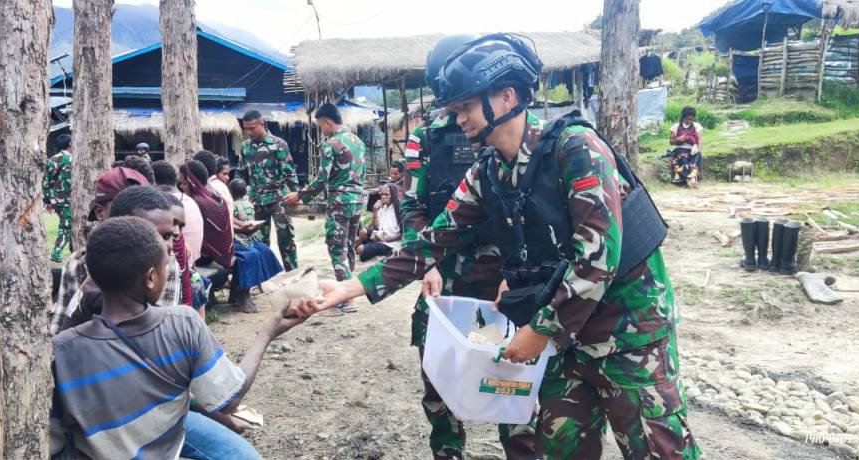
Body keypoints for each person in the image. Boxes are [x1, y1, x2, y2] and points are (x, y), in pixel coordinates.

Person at [296, 34, 699, 459]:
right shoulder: (487, 172)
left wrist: (541, 330)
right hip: (568, 341)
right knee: (559, 448)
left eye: (466, 107)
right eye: (455, 109)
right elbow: (434, 240)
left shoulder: (576, 149)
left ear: (506, 97)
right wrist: (353, 287)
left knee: (660, 450)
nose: (459, 118)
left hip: (628, 329)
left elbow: (598, 258)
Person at [383, 33, 541, 459]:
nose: (459, 110)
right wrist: (426, 265)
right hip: (445, 267)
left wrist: (518, 272)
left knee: (513, 370)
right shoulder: (425, 137)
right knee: (437, 370)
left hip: (504, 272)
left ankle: (520, 446)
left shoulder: (517, 130)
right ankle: (449, 449)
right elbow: (413, 204)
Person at [49, 216, 306, 459]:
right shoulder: (182, 324)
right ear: (151, 278)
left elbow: (55, 438)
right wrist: (267, 332)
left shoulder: (61, 351)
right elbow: (229, 399)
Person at [56, 185, 185, 332]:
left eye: (167, 236)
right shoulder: (87, 273)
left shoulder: (167, 262)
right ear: (119, 230)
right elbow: (61, 328)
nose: (164, 246)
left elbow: (163, 324)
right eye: (150, 235)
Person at [283, 103, 366, 314]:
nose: (322, 130)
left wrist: (300, 195)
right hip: (357, 201)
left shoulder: (332, 144)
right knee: (348, 245)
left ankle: (347, 300)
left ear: (327, 122)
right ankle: (349, 292)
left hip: (340, 202)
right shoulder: (358, 141)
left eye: (321, 126)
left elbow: (322, 179)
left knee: (337, 249)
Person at [49, 166, 150, 335]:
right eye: (126, 209)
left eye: (145, 211)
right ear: (100, 212)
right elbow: (59, 329)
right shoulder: (78, 263)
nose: (136, 220)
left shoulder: (161, 262)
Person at [240, 110, 300, 271]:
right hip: (257, 201)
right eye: (246, 128)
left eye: (252, 128)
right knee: (259, 242)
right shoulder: (245, 147)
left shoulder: (278, 144)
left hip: (279, 200)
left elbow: (289, 173)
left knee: (286, 239)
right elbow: (241, 173)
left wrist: (297, 194)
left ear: (263, 125)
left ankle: (293, 275)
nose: (248, 132)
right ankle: (265, 278)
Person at [179, 160, 239, 309]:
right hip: (224, 255)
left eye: (183, 183)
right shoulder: (215, 197)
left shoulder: (195, 202)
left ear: (192, 183)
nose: (180, 187)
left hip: (208, 261)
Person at [226, 178, 284, 312]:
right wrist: (243, 228)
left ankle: (238, 294)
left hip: (246, 235)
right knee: (252, 254)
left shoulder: (235, 204)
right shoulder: (247, 203)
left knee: (264, 251)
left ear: (231, 191)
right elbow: (229, 222)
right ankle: (242, 295)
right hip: (238, 237)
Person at [153, 160, 204, 268]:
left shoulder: (161, 204)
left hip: (181, 265)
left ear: (154, 183)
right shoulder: (190, 200)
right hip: (194, 261)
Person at [44, 133, 73, 263]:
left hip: (56, 199)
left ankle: (71, 251)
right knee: (66, 228)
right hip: (68, 199)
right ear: (70, 144)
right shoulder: (72, 159)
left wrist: (47, 200)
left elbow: (46, 181)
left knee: (65, 225)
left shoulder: (52, 159)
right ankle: (56, 253)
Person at [355, 184, 401, 262]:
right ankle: (353, 251)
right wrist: (375, 211)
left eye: (386, 194)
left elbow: (402, 235)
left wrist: (386, 240)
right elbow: (375, 228)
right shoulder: (383, 207)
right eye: (382, 194)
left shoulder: (398, 209)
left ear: (393, 195)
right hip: (380, 236)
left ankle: (360, 250)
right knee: (362, 231)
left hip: (391, 243)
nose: (383, 197)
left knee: (361, 249)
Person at [667, 106, 702, 187]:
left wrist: (696, 149)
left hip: (693, 149)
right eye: (687, 119)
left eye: (691, 119)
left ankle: (692, 178)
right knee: (683, 157)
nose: (689, 121)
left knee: (696, 158)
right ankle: (688, 179)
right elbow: (671, 142)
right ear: (683, 117)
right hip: (680, 149)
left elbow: (700, 142)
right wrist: (678, 139)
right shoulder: (675, 127)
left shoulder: (697, 126)